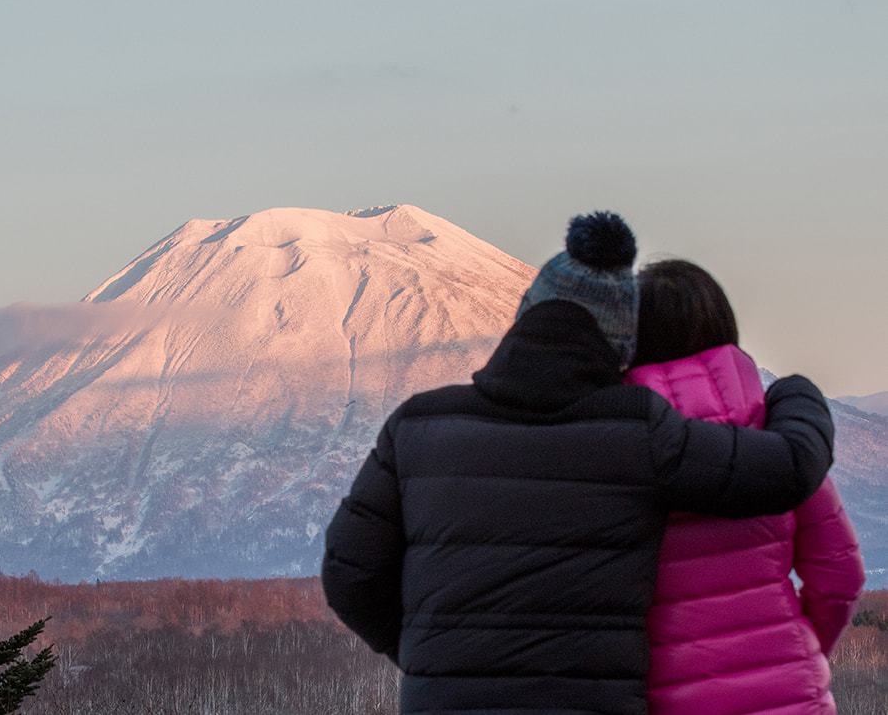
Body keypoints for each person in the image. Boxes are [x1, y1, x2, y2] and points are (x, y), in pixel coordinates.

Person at [320, 212, 837, 715]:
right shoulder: (638, 431)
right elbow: (789, 468)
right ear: (619, 344)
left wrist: (429, 656)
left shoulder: (419, 426)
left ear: (524, 317)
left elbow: (350, 575)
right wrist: (796, 393)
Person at [627, 259, 864, 715]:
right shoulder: (781, 442)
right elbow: (841, 577)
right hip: (790, 695)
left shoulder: (620, 449)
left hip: (669, 697)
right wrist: (795, 646)